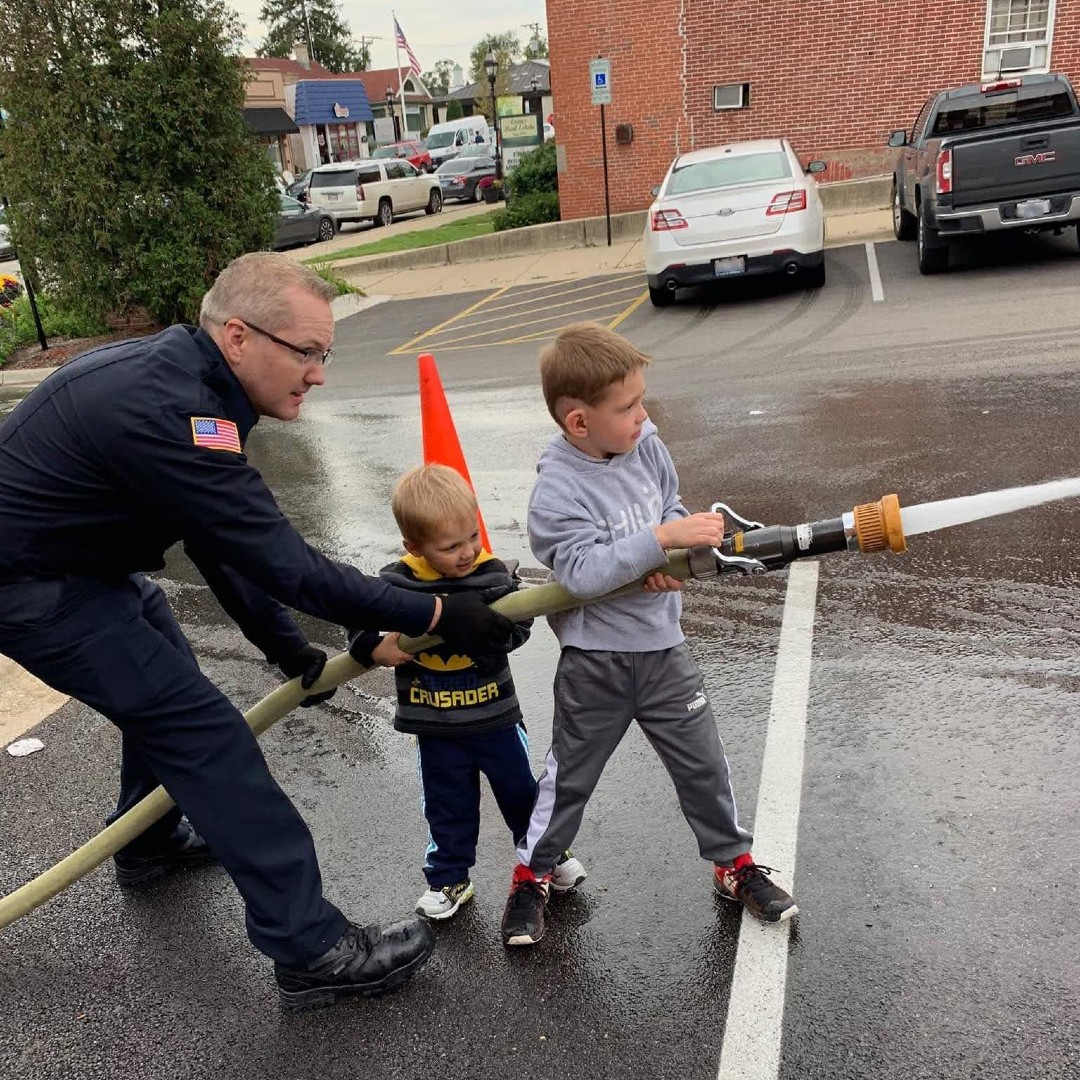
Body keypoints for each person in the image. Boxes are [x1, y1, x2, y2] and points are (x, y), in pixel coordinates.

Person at [0, 252, 515, 1010]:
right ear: (238, 337)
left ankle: (146, 842)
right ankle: (311, 950)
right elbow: (286, 564)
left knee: (164, 673)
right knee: (205, 736)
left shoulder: (191, 386)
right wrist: (437, 612)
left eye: (324, 353)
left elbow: (222, 541)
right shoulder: (171, 409)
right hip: (34, 588)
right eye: (306, 352)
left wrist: (284, 650)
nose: (319, 374)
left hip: (81, 570)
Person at [500, 322, 798, 947]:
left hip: (663, 652)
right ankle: (533, 875)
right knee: (570, 778)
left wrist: (667, 554)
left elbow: (668, 504)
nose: (642, 415)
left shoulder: (647, 447)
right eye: (628, 407)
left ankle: (733, 864)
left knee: (704, 766)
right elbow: (580, 573)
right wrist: (658, 544)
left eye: (641, 400)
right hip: (596, 662)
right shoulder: (556, 492)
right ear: (579, 422)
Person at [349, 465, 586, 921]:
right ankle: (449, 878)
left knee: (520, 794)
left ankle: (547, 857)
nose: (467, 553)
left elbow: (522, 624)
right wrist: (372, 646)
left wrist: (496, 635)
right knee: (447, 805)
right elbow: (358, 612)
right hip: (434, 725)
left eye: (472, 537)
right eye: (450, 546)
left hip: (494, 719)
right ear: (414, 547)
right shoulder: (397, 584)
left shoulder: (490, 576)